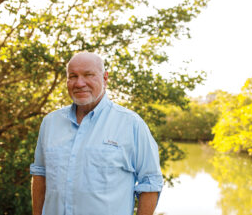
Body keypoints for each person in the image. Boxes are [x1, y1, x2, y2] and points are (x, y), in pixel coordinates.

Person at [30, 52, 163, 215]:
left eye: (88, 75)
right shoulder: (50, 123)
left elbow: (150, 183)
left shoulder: (131, 124)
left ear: (105, 78)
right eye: (73, 76)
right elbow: (40, 175)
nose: (79, 83)